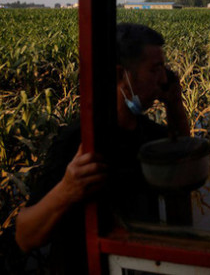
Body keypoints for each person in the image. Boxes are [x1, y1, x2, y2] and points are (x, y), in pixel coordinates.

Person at [15, 23, 190, 274]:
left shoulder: (144, 130)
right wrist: (67, 190)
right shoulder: (80, 142)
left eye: (164, 69)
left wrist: (174, 103)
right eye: (155, 70)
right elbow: (25, 236)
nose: (164, 79)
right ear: (120, 75)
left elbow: (183, 153)